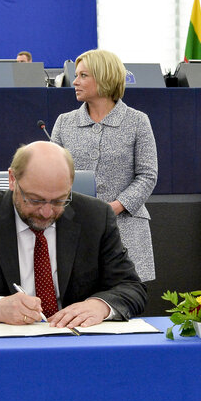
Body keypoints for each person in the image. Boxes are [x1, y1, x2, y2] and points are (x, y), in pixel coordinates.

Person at [0, 141, 147, 327]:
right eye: (35, 199)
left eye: (60, 200)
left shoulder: (96, 217)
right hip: (4, 352)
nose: (47, 212)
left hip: (78, 346)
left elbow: (131, 287)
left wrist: (101, 305)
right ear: (12, 180)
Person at [51, 49, 158, 282]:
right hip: (75, 228)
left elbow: (147, 175)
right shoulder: (64, 122)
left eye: (83, 76)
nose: (75, 82)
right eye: (75, 75)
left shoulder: (137, 121)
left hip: (126, 228)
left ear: (104, 77)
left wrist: (115, 207)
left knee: (124, 305)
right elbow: (52, 174)